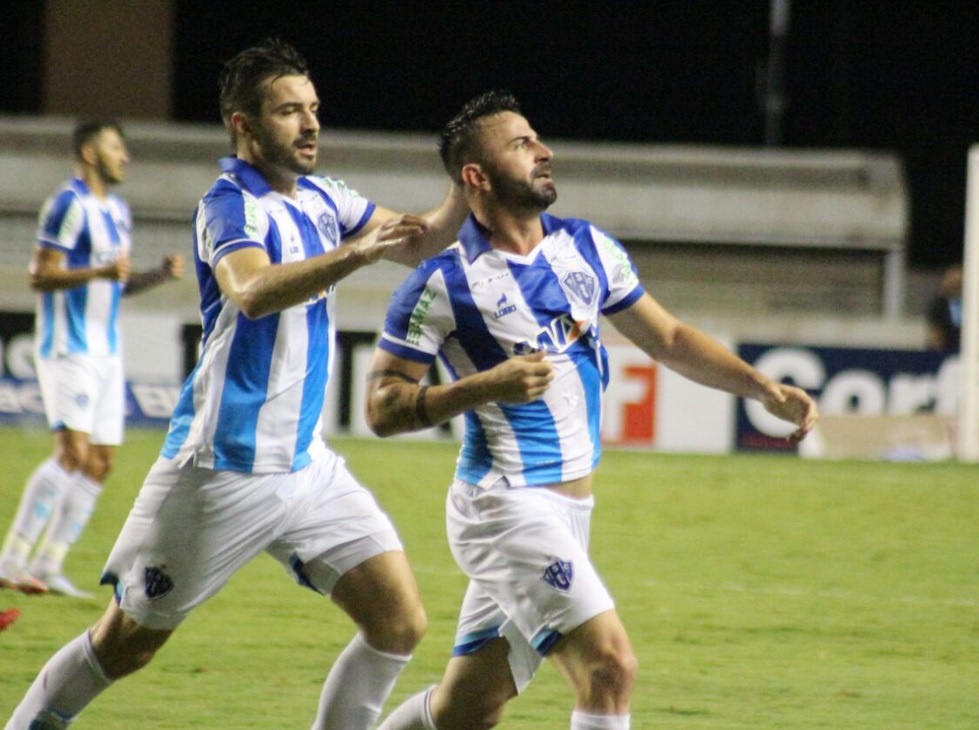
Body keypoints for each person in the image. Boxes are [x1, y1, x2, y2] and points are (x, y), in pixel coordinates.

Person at [5, 38, 467, 730]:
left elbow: (418, 239)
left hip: (307, 469)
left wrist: (466, 180)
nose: (310, 124)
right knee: (124, 645)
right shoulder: (228, 205)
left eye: (312, 109)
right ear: (243, 125)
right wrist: (352, 255)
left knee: (398, 622)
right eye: (288, 111)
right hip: (220, 470)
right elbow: (250, 290)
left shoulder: (324, 197)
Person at [366, 90, 819, 730]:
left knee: (466, 708)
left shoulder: (587, 248)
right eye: (521, 144)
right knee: (610, 667)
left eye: (537, 138)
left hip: (569, 510)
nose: (544, 150)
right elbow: (383, 408)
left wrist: (762, 389)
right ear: (477, 175)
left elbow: (669, 339)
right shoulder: (441, 283)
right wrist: (483, 385)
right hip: (504, 507)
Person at [0, 120, 185, 599]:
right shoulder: (68, 204)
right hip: (68, 346)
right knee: (72, 454)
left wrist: (157, 275)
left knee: (100, 462)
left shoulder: (118, 211)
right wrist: (101, 270)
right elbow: (41, 275)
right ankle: (11, 559)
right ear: (89, 152)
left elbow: (115, 284)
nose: (124, 156)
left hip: (106, 351)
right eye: (115, 147)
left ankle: (48, 564)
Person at [926, 263, 963, 352]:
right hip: (945, 350)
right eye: (953, 282)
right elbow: (936, 330)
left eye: (958, 283)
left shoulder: (972, 305)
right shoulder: (939, 305)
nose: (955, 285)